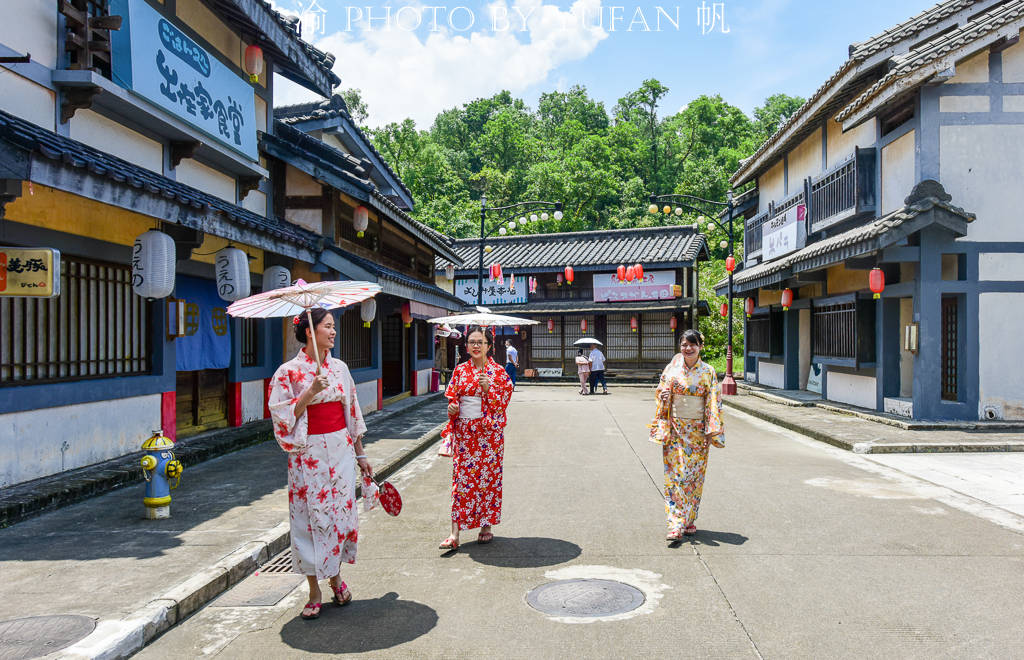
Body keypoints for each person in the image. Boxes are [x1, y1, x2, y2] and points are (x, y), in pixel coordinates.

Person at [268, 308, 373, 620]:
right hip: (307, 452)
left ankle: (336, 577)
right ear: (310, 332)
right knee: (309, 520)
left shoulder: (340, 368)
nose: (334, 332)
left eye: (334, 327)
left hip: (340, 449)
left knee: (340, 516)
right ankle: (314, 590)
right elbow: (282, 418)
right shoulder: (287, 372)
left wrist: (362, 455)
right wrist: (309, 392)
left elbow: (352, 412)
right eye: (328, 326)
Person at [439, 326, 514, 550]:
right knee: (461, 481)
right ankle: (455, 533)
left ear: (489, 346)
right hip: (465, 434)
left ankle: (485, 525)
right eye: (472, 342)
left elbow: (502, 404)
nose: (475, 346)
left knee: (487, 480)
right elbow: (453, 400)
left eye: (480, 342)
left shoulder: (498, 372)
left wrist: (489, 389)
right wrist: (452, 409)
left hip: (489, 436)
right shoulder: (460, 370)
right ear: (466, 345)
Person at [649, 329, 725, 542]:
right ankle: (674, 523)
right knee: (675, 477)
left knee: (694, 477)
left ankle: (689, 518)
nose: (688, 348)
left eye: (692, 344)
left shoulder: (708, 372)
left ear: (700, 346)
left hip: (698, 434)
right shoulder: (671, 369)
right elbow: (660, 391)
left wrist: (712, 430)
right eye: (684, 344)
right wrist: (663, 396)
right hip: (674, 431)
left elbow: (713, 402)